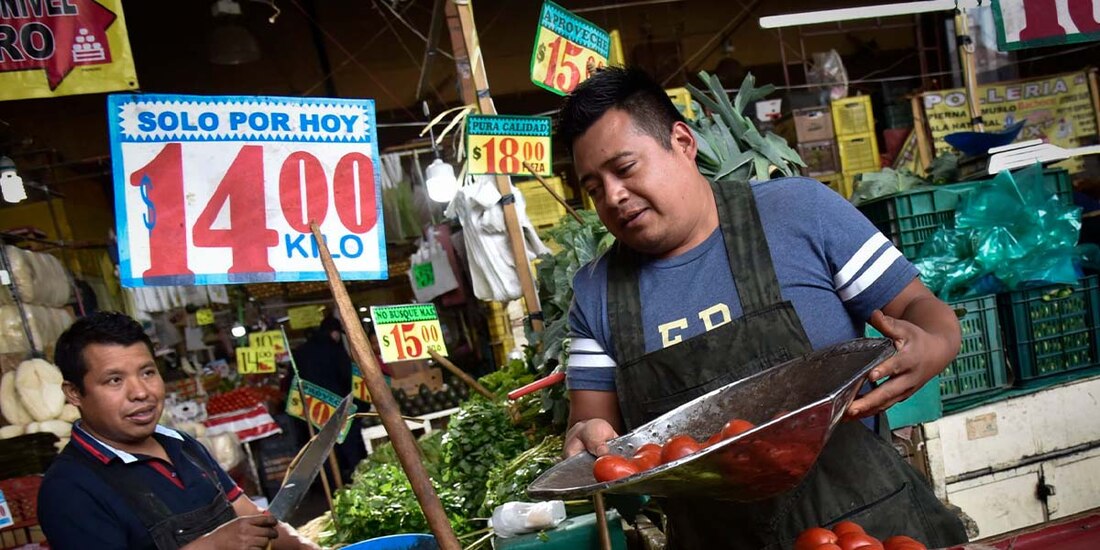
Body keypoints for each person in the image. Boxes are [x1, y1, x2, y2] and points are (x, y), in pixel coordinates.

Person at [558, 67, 969, 549]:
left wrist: (934, 343)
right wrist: (587, 435)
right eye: (593, 187)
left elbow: (921, 307)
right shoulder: (596, 293)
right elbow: (589, 427)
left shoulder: (799, 214)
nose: (614, 196)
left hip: (862, 530)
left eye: (625, 169)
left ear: (683, 143)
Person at [38, 311, 317, 550]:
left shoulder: (182, 444)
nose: (140, 392)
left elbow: (253, 516)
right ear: (74, 393)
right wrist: (212, 545)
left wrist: (309, 547)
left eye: (147, 372)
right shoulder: (68, 489)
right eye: (114, 380)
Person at [292, 316, 365, 481]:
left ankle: (333, 484)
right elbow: (348, 377)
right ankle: (355, 478)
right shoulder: (334, 349)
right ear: (334, 332)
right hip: (338, 405)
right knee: (347, 444)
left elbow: (293, 381)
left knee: (324, 448)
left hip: (313, 408)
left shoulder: (301, 352)